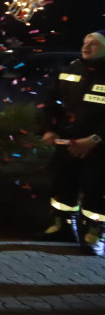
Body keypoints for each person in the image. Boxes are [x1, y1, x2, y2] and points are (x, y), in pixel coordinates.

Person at [39, 30, 105, 255]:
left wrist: (94, 140)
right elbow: (51, 102)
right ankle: (62, 227)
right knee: (62, 186)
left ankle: (95, 235)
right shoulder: (72, 69)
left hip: (98, 149)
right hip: (67, 144)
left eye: (93, 44)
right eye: (85, 42)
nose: (86, 47)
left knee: (96, 191)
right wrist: (48, 128)